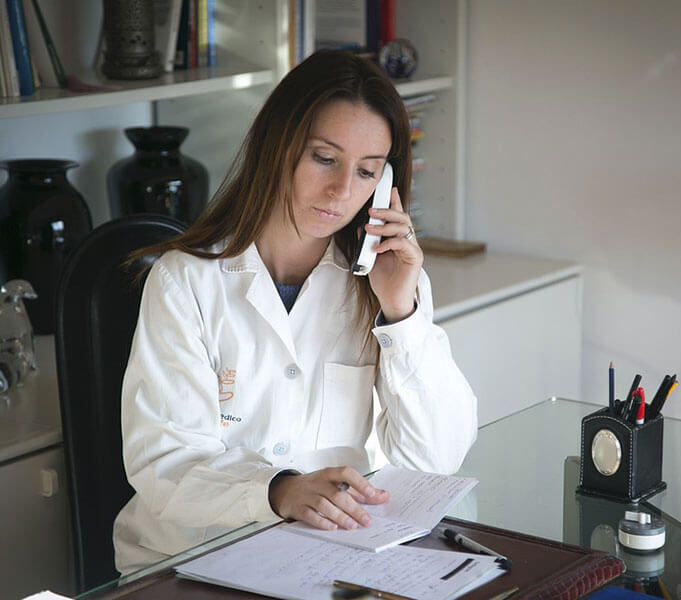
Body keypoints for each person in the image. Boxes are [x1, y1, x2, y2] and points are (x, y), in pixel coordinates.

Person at [113, 50, 478, 574]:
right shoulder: (186, 280)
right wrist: (278, 490)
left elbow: (436, 458)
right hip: (188, 560)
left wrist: (402, 315)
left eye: (367, 171)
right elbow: (165, 464)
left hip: (322, 558)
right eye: (324, 158)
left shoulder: (387, 284)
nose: (341, 191)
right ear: (277, 147)